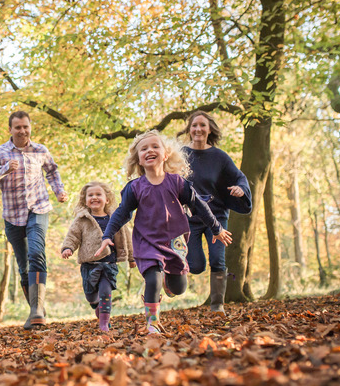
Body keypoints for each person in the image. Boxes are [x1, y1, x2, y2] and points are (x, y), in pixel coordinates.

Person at [96, 130, 232, 334]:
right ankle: (152, 322)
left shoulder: (177, 183)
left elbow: (199, 206)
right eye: (144, 149)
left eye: (154, 146)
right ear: (139, 159)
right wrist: (107, 235)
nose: (149, 150)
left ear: (165, 154)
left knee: (179, 288)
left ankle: (170, 279)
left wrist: (216, 228)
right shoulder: (135, 187)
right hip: (146, 242)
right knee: (153, 278)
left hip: (174, 241)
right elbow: (122, 213)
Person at [0, 111, 68, 330]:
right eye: (17, 127)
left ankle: (37, 311)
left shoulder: (40, 150)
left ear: (30, 127)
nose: (22, 131)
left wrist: (59, 191)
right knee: (24, 265)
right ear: (10, 129)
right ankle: (35, 309)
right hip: (12, 216)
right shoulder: (0, 153)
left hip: (38, 208)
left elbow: (52, 172)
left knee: (37, 252)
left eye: (25, 126)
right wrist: (4, 169)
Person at [177, 111, 252, 315]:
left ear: (210, 129)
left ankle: (218, 305)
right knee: (196, 266)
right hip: (191, 219)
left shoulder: (219, 157)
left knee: (218, 260)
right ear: (189, 129)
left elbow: (240, 178)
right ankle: (177, 263)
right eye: (194, 126)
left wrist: (241, 189)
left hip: (216, 217)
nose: (198, 129)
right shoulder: (181, 155)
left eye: (202, 125)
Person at [60, 181, 136, 332]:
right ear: (85, 200)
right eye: (90, 195)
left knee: (105, 292)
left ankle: (104, 323)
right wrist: (68, 248)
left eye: (98, 194)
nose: (94, 197)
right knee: (91, 297)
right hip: (89, 265)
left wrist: (132, 258)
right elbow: (73, 236)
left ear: (107, 199)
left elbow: (127, 238)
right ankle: (96, 306)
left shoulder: (115, 218)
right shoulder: (82, 219)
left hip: (109, 264)